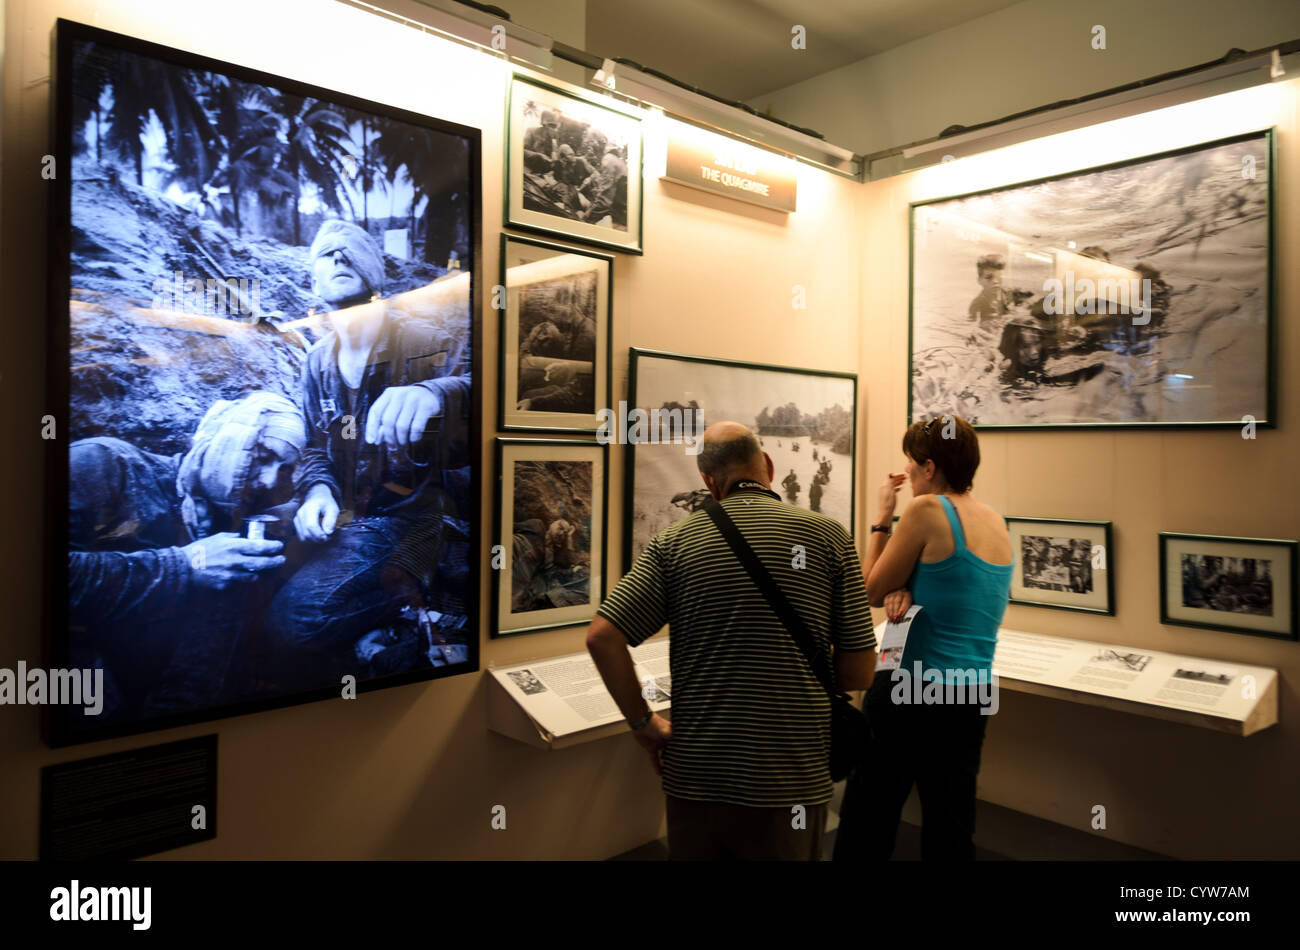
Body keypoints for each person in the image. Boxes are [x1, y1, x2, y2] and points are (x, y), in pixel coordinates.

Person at [586, 422, 876, 860]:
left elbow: (602, 637)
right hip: (792, 777)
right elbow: (859, 672)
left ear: (708, 481)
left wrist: (643, 724)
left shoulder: (674, 543)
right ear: (770, 467)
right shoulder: (828, 537)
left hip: (699, 779)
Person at [267, 220, 471, 683]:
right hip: (345, 514)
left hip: (417, 519)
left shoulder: (426, 342)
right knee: (249, 547)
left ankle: (423, 592)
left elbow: (494, 397)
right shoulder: (318, 361)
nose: (339, 258)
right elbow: (315, 446)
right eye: (326, 254)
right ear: (313, 282)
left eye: (351, 252)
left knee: (294, 620)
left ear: (375, 273)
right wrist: (317, 491)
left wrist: (438, 392)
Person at [834, 415, 1012, 862]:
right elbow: (954, 591)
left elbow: (870, 590)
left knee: (868, 819)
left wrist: (881, 518)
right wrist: (910, 587)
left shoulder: (925, 510)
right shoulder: (996, 522)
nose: (907, 473)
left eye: (911, 464)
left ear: (930, 467)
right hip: (971, 694)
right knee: (951, 825)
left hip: (908, 690)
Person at [68, 392, 307, 721]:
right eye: (264, 455)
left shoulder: (230, 534)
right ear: (228, 437)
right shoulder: (104, 463)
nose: (268, 480)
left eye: (283, 470)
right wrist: (185, 565)